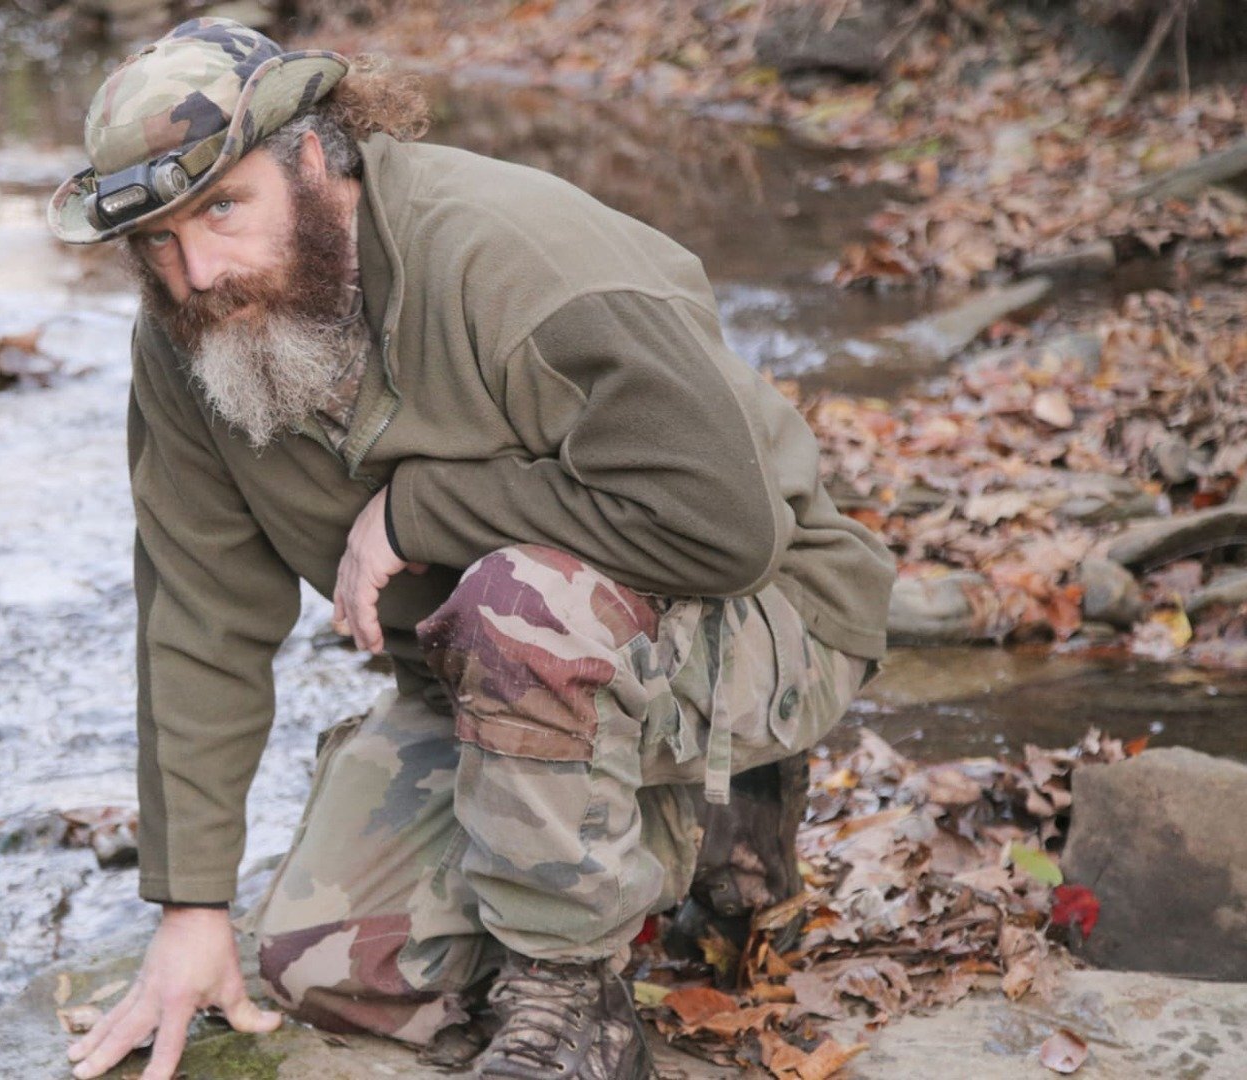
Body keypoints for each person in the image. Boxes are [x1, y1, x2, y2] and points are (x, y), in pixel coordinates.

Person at [45, 17, 895, 1080]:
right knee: (322, 964)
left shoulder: (514, 256)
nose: (200, 271)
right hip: (488, 682)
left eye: (223, 208)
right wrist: (191, 908)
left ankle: (573, 1003)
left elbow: (724, 523)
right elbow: (197, 614)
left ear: (311, 157)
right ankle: (657, 835)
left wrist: (421, 513)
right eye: (159, 241)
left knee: (516, 600)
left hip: (764, 608)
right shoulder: (187, 338)